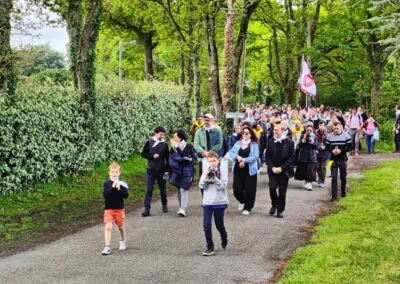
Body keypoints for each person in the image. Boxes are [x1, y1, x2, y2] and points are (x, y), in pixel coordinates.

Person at [225, 125, 259, 216]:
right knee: (236, 190)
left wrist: (244, 160)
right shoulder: (238, 143)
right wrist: (237, 157)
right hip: (238, 169)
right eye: (243, 133)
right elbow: (231, 152)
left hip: (250, 170)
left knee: (250, 190)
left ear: (251, 134)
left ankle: (248, 207)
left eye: (247, 133)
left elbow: (255, 156)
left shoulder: (254, 145)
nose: (244, 134)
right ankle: (242, 201)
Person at [199, 151, 228, 256]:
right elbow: (201, 186)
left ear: (218, 161)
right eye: (210, 161)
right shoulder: (205, 170)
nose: (212, 163)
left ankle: (224, 236)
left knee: (219, 225)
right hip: (207, 202)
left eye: (214, 160)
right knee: (206, 225)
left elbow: (223, 186)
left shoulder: (223, 171)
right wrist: (206, 178)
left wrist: (215, 179)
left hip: (220, 202)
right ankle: (210, 247)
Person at [265, 124, 295, 218]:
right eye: (274, 130)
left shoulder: (289, 143)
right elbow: (267, 157)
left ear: (282, 131)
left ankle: (280, 210)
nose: (275, 132)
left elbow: (292, 158)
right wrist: (272, 167)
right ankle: (274, 204)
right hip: (272, 170)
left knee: (282, 191)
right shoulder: (270, 142)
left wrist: (282, 168)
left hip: (284, 171)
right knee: (272, 188)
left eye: (277, 130)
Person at [141, 127, 169, 217]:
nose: (162, 136)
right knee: (149, 190)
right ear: (156, 133)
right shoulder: (149, 142)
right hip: (151, 170)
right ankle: (147, 209)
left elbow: (168, 158)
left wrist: (167, 170)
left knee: (163, 189)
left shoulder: (164, 144)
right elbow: (143, 154)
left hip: (161, 170)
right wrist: (152, 156)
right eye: (161, 134)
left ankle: (164, 205)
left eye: (163, 134)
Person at [101, 162, 129, 255]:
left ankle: (122, 241)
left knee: (120, 227)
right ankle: (107, 246)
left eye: (116, 172)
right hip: (108, 209)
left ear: (119, 172)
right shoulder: (107, 184)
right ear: (109, 173)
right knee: (108, 226)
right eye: (112, 172)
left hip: (119, 209)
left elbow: (126, 196)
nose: (114, 174)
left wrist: (119, 188)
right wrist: (113, 188)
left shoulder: (122, 183)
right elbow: (106, 195)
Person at [169, 129, 198, 217]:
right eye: (173, 137)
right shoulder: (173, 147)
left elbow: (184, 155)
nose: (173, 139)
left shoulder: (188, 145)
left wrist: (177, 147)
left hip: (187, 170)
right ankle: (181, 207)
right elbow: (170, 158)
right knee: (179, 189)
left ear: (180, 137)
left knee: (183, 189)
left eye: (175, 137)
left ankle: (183, 208)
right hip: (177, 170)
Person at [325, 122, 352, 202]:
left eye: (337, 128)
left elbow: (350, 147)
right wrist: (332, 150)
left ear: (341, 128)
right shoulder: (329, 136)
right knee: (334, 178)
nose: (335, 130)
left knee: (343, 177)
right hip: (333, 160)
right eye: (334, 128)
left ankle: (343, 192)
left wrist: (341, 151)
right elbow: (327, 147)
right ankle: (334, 196)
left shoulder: (346, 135)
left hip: (343, 159)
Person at [295, 125, 318, 191]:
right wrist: (304, 140)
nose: (309, 131)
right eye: (307, 130)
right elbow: (299, 145)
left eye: (310, 130)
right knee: (304, 169)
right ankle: (306, 181)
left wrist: (311, 141)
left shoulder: (315, 136)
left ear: (312, 130)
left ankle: (309, 183)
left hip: (311, 155)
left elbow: (316, 146)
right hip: (303, 155)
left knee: (310, 169)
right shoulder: (303, 135)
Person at [315, 121, 330, 188]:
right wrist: (318, 147)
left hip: (325, 153)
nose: (321, 126)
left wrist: (325, 146)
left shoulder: (328, 133)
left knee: (323, 167)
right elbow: (314, 142)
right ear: (318, 126)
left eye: (322, 125)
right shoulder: (315, 133)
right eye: (320, 125)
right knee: (317, 167)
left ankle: (322, 181)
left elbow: (330, 142)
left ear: (325, 126)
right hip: (318, 152)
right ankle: (320, 178)